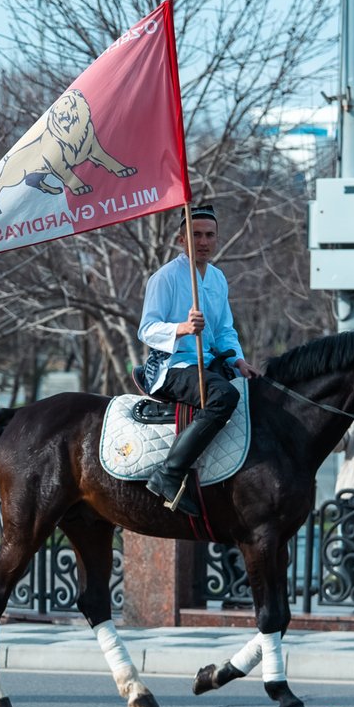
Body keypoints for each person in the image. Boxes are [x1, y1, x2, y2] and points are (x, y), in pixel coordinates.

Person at [137, 204, 260, 516]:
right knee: (223, 395)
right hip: (172, 367)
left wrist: (239, 361)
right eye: (196, 235)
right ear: (182, 239)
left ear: (217, 239)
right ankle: (168, 474)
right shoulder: (164, 278)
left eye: (209, 235)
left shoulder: (218, 278)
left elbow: (225, 330)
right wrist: (182, 328)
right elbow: (146, 330)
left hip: (208, 365)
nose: (203, 241)